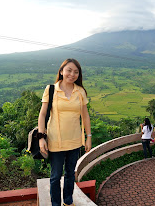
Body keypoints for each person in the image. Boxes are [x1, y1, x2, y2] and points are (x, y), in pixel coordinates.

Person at [38, 58, 92, 206]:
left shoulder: (80, 91)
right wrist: (41, 137)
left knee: (70, 174)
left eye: (76, 71)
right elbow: (42, 114)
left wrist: (88, 137)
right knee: (55, 176)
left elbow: (85, 116)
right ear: (61, 71)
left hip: (74, 141)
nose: (72, 74)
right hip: (56, 141)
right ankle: (56, 204)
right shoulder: (51, 90)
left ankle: (68, 201)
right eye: (69, 70)